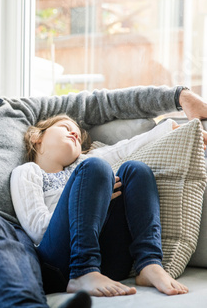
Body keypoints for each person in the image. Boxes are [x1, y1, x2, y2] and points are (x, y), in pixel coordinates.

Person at [0, 18, 207, 308]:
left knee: (9, 241)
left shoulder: (21, 111)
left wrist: (180, 97)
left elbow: (100, 102)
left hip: (12, 230)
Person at [10, 114, 190, 297]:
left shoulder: (82, 163)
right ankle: (83, 270)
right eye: (65, 127)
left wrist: (169, 128)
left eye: (78, 137)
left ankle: (149, 263)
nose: (74, 133)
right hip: (60, 265)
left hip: (108, 261)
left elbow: (124, 149)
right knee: (95, 168)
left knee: (136, 169)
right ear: (36, 137)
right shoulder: (28, 171)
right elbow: (37, 229)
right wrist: (82, 201)